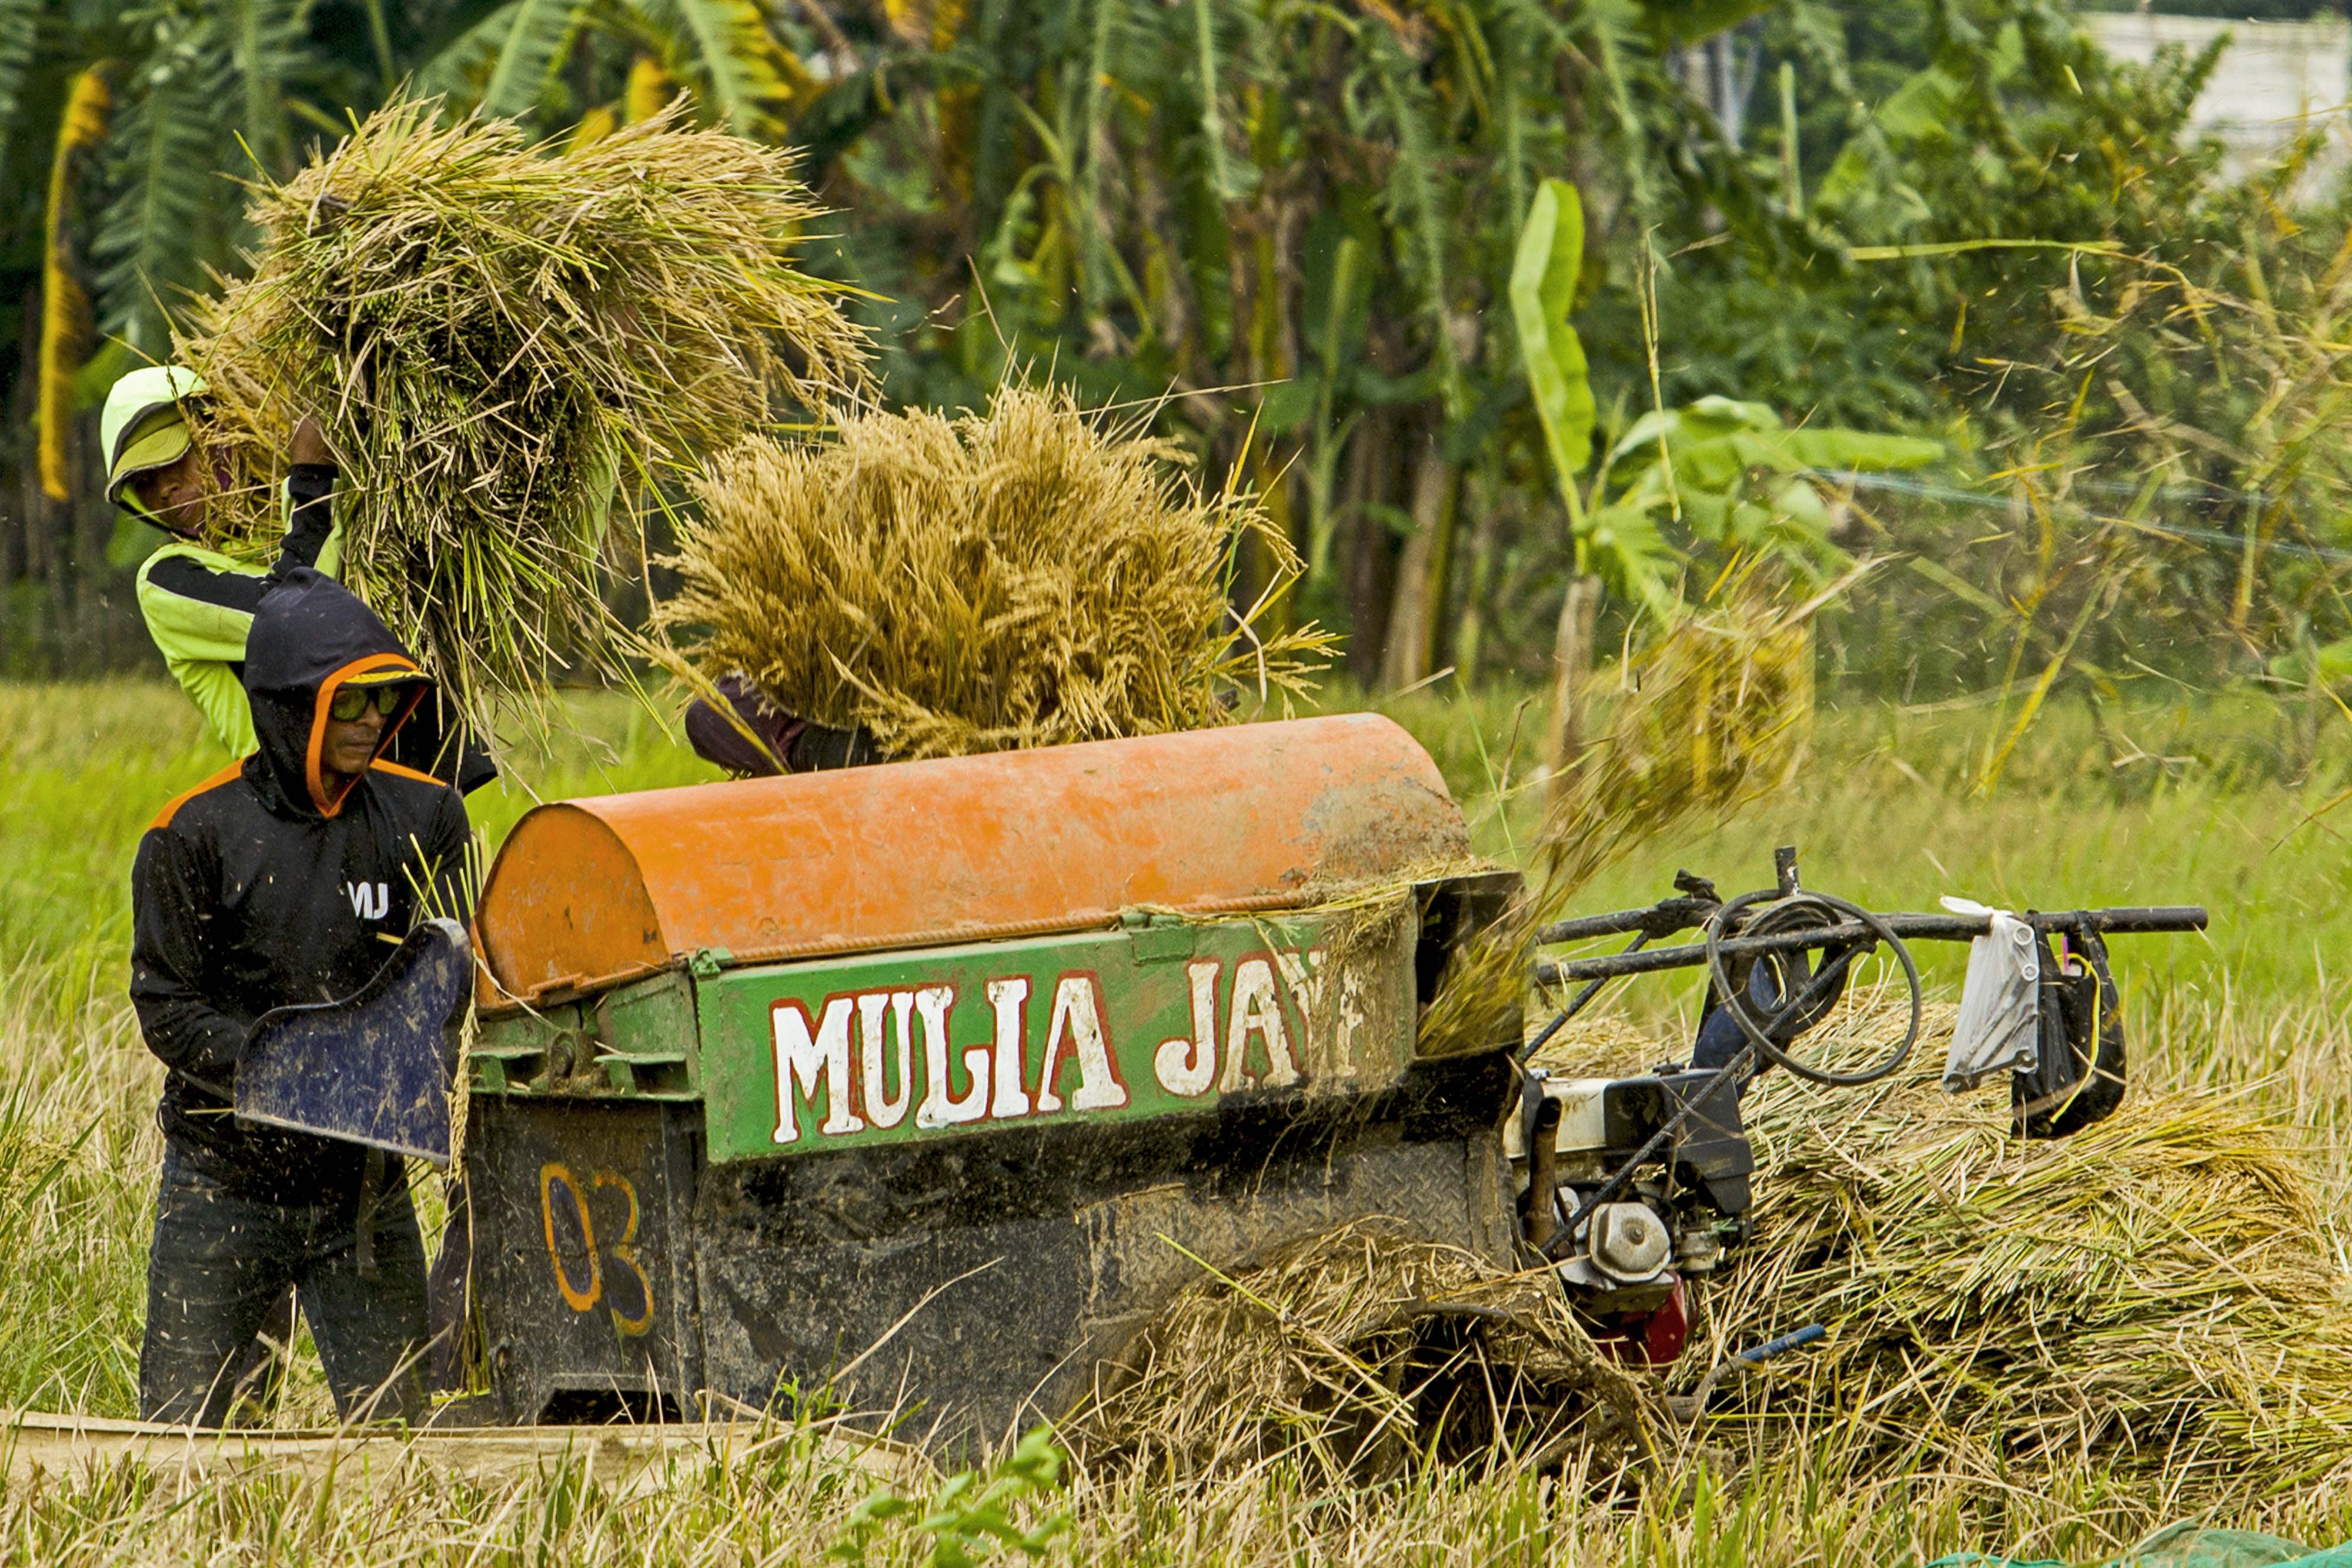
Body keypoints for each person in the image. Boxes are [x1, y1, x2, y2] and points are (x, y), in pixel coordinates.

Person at [130, 568, 473, 1426]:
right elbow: (166, 1004)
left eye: (386, 702)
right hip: (224, 1182)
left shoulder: (426, 818)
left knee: (402, 1444)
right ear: (288, 709)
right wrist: (287, 1067)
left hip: (363, 1191)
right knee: (185, 1445)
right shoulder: (192, 834)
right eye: (349, 705)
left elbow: (459, 969)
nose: (371, 724)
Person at [101, 365, 494, 794]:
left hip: (406, 780)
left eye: (176, 457)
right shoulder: (166, 580)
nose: (164, 490)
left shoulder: (276, 516)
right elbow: (295, 618)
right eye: (144, 482)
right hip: (303, 808)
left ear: (221, 434)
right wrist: (310, 482)